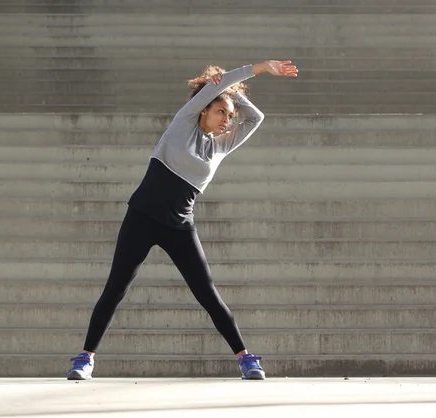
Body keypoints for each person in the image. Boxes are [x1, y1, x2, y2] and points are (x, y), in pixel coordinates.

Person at [66, 60, 299, 381]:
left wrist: (232, 95)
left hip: (179, 225)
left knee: (207, 293)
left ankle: (246, 359)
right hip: (141, 218)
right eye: (221, 112)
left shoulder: (220, 147)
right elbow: (214, 88)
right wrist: (257, 70)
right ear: (203, 109)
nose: (227, 120)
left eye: (230, 116)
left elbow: (256, 118)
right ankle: (84, 358)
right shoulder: (182, 123)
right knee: (115, 288)